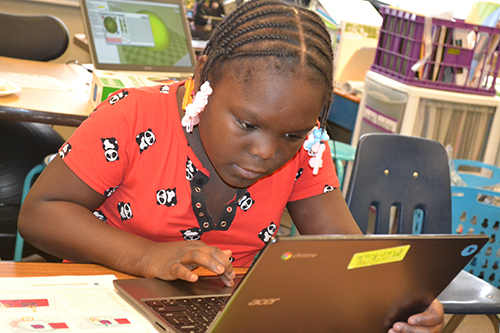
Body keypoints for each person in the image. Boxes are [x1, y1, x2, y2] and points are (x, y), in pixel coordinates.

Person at [18, 1, 444, 332]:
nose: (265, 151)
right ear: (204, 80)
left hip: (228, 315)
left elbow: (345, 253)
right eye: (247, 123)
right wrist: (147, 255)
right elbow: (40, 214)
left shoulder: (308, 150)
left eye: (291, 135)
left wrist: (399, 294)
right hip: (108, 301)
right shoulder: (132, 117)